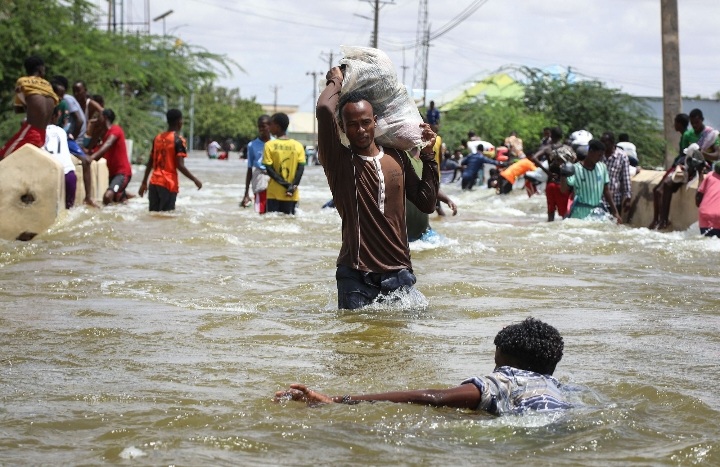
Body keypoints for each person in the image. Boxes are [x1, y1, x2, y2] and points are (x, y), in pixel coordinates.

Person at [316, 66, 439, 310]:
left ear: (375, 122)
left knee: (400, 345)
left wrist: (428, 156)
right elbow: (323, 109)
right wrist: (335, 81)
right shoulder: (339, 161)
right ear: (342, 127)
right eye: (352, 124)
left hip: (399, 270)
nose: (360, 130)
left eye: (365, 122)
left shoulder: (398, 157)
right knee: (356, 341)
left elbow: (426, 202)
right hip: (356, 273)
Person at [275, 317, 570, 416]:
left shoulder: (503, 381)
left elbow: (432, 397)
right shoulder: (559, 388)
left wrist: (335, 400)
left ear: (504, 360)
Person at [651, 110, 720, 230]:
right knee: (667, 185)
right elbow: (683, 154)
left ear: (702, 120)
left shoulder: (711, 135)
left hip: (704, 166)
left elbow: (717, 155)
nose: (695, 125)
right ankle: (663, 220)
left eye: (697, 122)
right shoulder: (688, 134)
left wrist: (701, 154)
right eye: (692, 123)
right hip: (688, 166)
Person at [138, 109, 202, 211]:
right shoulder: (178, 141)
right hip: (168, 184)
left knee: (154, 216)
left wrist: (144, 182)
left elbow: (150, 162)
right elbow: (180, 165)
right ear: (179, 122)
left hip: (154, 183)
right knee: (167, 217)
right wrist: (195, 180)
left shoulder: (157, 138)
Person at [0, 56, 59, 159]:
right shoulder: (48, 85)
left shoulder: (23, 81)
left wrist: (23, 99)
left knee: (3, 155)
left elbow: (18, 109)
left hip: (30, 131)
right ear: (40, 69)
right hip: (43, 135)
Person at [561, 139, 621, 223]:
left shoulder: (602, 167)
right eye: (598, 155)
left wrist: (615, 212)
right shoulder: (576, 168)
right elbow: (564, 190)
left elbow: (606, 190)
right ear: (590, 151)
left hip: (597, 212)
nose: (600, 158)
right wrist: (563, 176)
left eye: (601, 156)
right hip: (579, 212)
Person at [406, 148, 457, 242]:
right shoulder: (400, 157)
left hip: (424, 231)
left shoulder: (424, 161)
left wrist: (447, 200)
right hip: (405, 233)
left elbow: (429, 186)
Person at [86, 109, 133, 205]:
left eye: (98, 117)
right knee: (119, 201)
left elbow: (107, 145)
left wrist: (90, 159)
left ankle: (105, 219)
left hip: (122, 174)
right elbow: (92, 151)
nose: (96, 119)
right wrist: (92, 127)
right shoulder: (104, 136)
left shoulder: (116, 129)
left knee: (107, 197)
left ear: (105, 117)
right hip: (113, 175)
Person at [262, 112, 306, 215]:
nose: (269, 127)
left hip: (273, 194)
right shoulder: (298, 146)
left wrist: (286, 185)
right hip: (291, 194)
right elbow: (300, 170)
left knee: (273, 225)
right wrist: (292, 186)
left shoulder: (269, 145)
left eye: (271, 124)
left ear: (277, 126)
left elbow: (269, 170)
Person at [530, 127, 576, 221]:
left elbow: (534, 158)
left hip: (550, 183)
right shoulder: (566, 148)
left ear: (551, 135)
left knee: (550, 212)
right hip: (563, 184)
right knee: (565, 213)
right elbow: (574, 160)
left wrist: (548, 172)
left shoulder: (547, 148)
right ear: (561, 136)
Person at [44, 106, 77, 209]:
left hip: (50, 176)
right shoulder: (62, 132)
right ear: (56, 116)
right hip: (69, 175)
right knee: (68, 212)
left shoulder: (39, 132)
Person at [241, 115, 272, 213]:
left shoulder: (276, 143)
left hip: (274, 177)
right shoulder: (252, 145)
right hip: (260, 177)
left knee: (272, 209)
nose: (261, 129)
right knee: (260, 209)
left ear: (270, 126)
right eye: (259, 127)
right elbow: (249, 168)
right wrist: (246, 193)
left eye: (263, 126)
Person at [600, 132, 632, 217]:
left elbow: (626, 178)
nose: (603, 144)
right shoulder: (599, 155)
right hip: (599, 199)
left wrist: (628, 197)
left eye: (605, 142)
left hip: (615, 199)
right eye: (601, 142)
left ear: (612, 142)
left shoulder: (622, 156)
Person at [71, 80, 104, 150]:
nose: (76, 94)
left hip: (84, 138)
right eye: (74, 92)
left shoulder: (89, 104)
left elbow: (103, 112)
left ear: (85, 91)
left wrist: (95, 123)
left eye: (78, 91)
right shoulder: (73, 103)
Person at [696, 161, 720, 238]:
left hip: (705, 214)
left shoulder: (710, 175)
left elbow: (698, 198)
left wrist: (700, 176)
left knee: (707, 241)